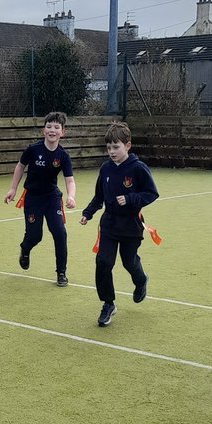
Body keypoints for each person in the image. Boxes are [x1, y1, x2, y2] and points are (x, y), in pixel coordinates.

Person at [79, 121, 159, 326]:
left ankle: (140, 280)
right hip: (109, 225)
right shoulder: (105, 169)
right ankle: (108, 303)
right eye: (109, 147)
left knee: (128, 261)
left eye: (116, 147)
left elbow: (151, 193)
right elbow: (99, 196)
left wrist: (131, 198)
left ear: (128, 146)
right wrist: (88, 213)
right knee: (103, 262)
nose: (112, 151)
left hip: (131, 225)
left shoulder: (138, 168)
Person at [4, 111, 76, 286]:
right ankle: (25, 248)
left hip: (52, 198)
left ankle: (61, 273)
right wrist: (13, 188)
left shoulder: (63, 156)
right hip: (33, 198)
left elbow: (69, 179)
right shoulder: (33, 149)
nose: (52, 130)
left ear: (62, 132)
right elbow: (20, 166)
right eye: (49, 126)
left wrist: (71, 196)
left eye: (56, 127)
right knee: (35, 236)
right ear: (44, 130)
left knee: (60, 233)